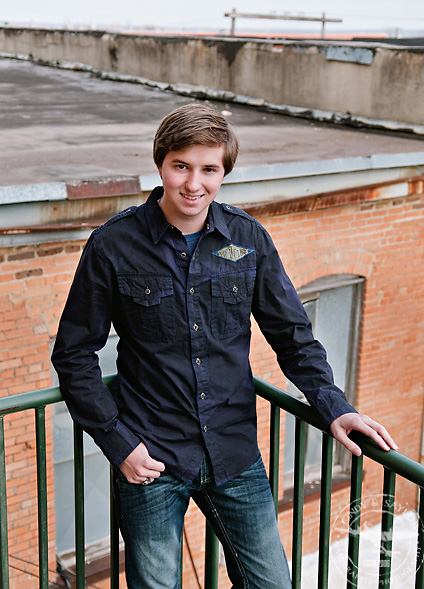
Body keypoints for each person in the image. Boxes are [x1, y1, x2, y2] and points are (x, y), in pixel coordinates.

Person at [52, 103, 397, 588]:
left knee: (273, 583)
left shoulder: (247, 239)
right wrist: (117, 442)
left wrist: (333, 407)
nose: (194, 184)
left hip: (235, 453)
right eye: (181, 166)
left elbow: (292, 336)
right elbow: (72, 354)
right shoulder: (113, 245)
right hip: (150, 457)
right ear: (161, 165)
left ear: (224, 172)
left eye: (209, 169)